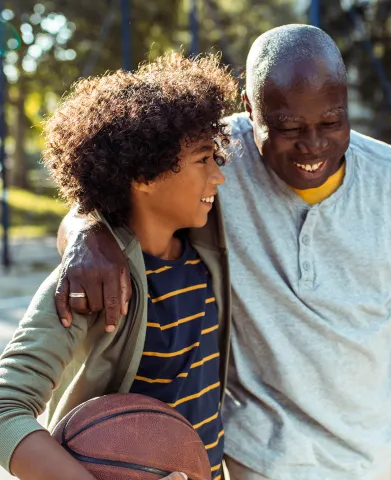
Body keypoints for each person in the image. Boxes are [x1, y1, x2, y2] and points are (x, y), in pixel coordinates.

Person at [55, 25, 391, 480]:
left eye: (332, 122)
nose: (313, 145)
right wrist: (88, 232)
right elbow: (111, 192)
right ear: (250, 110)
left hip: (375, 454)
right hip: (258, 458)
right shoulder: (216, 161)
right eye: (288, 127)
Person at [0, 52, 237, 480]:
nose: (218, 176)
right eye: (203, 160)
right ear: (144, 176)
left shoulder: (206, 252)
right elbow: (5, 407)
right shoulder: (91, 283)